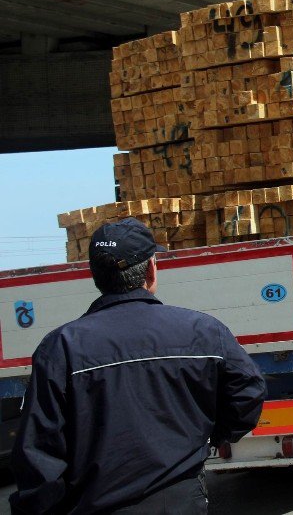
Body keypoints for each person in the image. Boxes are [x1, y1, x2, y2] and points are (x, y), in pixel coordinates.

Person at [10, 218, 266, 514]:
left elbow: (38, 453)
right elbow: (248, 392)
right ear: (151, 270)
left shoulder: (61, 347)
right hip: (181, 504)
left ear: (95, 276)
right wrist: (212, 436)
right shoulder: (203, 331)